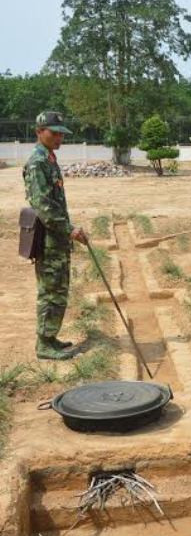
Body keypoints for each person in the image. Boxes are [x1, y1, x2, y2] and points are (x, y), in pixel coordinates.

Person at [23, 111, 87, 360]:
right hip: (49, 241)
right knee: (50, 292)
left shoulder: (49, 158)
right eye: (54, 133)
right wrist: (70, 230)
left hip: (57, 240)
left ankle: (50, 337)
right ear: (39, 132)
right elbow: (44, 207)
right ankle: (43, 344)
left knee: (58, 291)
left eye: (62, 133)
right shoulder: (38, 162)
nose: (60, 137)